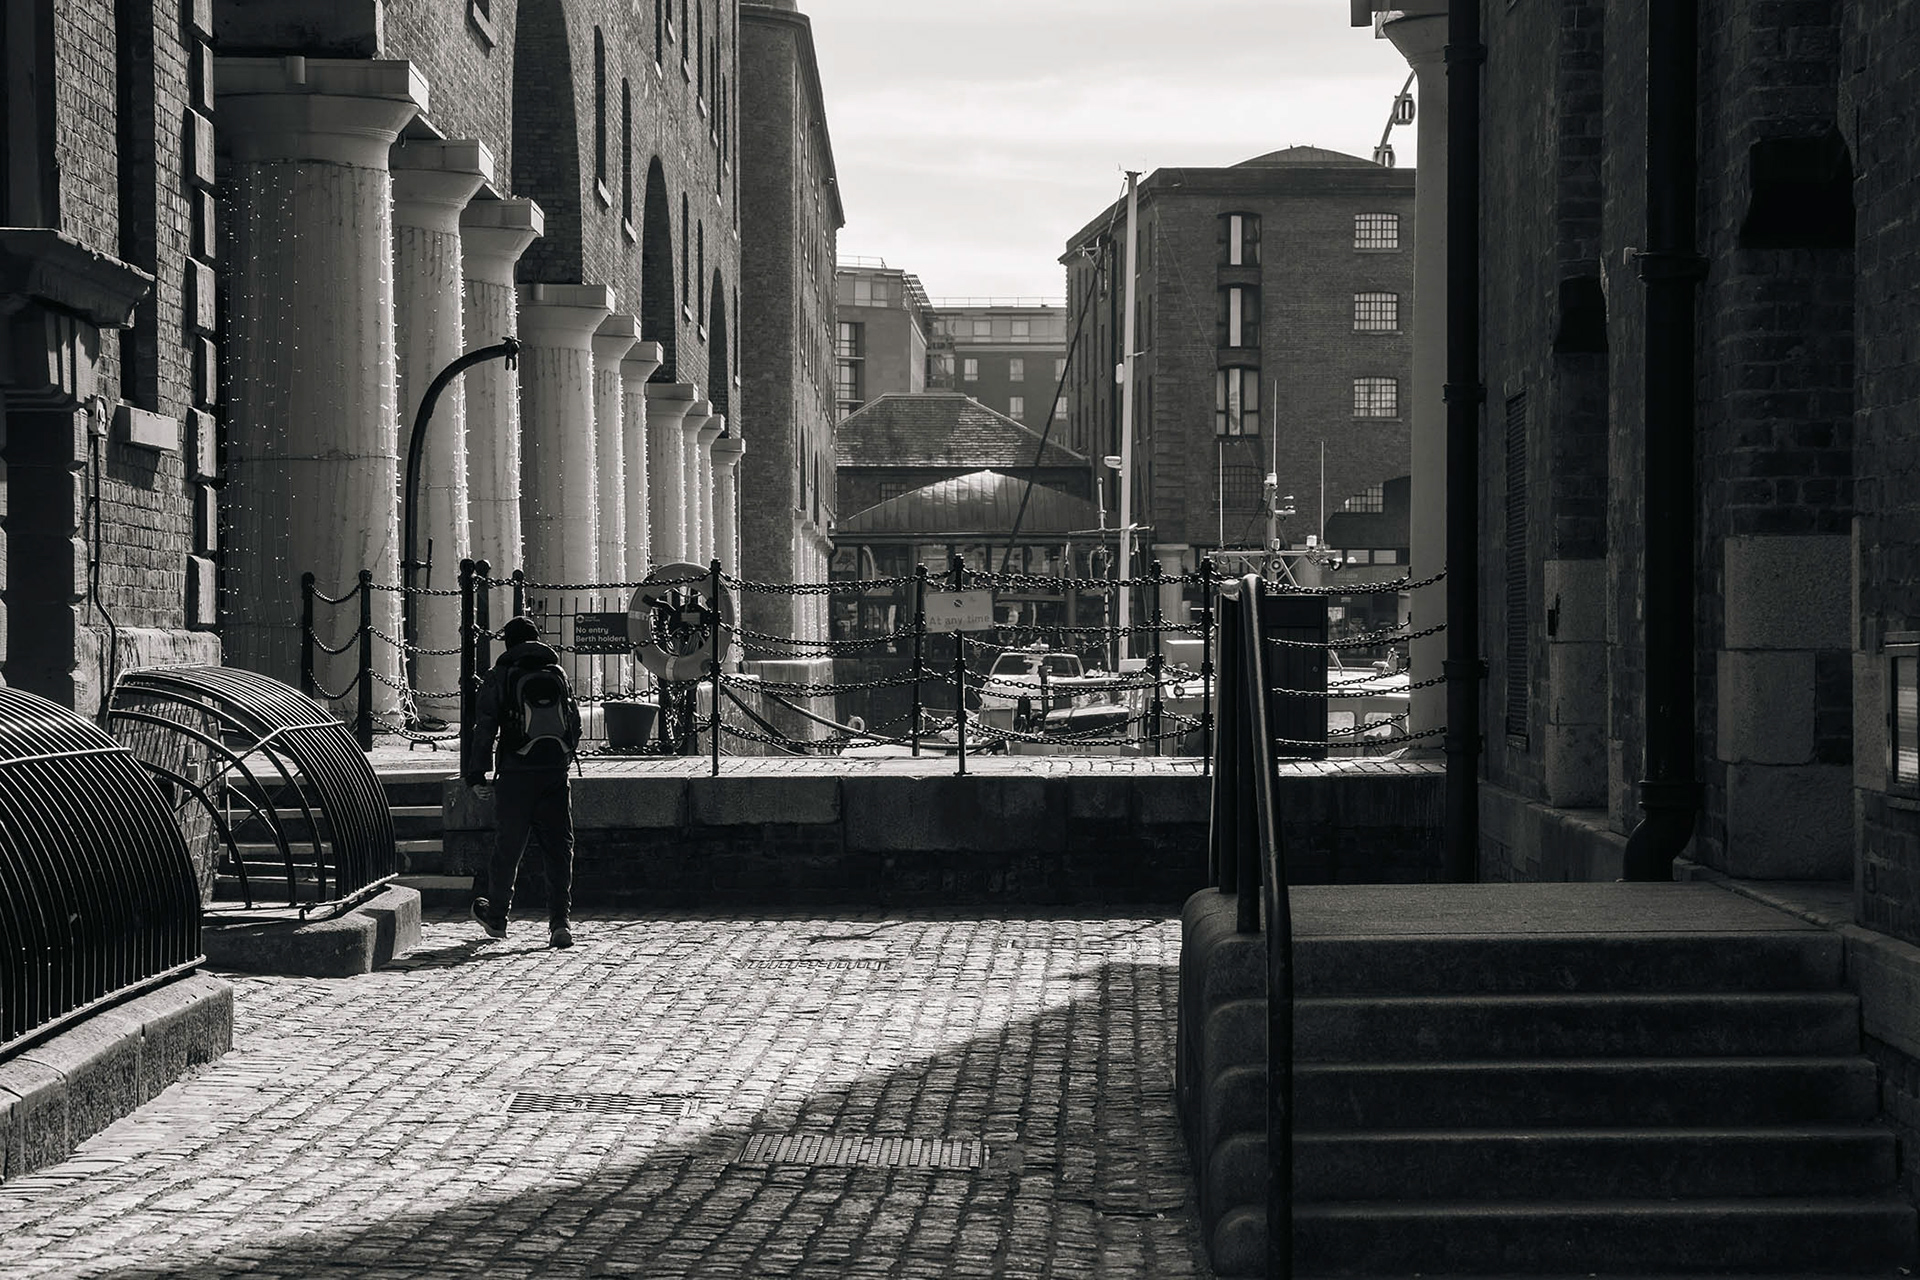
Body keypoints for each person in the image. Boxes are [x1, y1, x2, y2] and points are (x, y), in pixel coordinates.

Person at [464, 615, 582, 948]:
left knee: (508, 849)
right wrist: (562, 757)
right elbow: (573, 722)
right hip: (555, 774)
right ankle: (560, 923)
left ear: (508, 643)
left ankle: (498, 917)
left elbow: (484, 728)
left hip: (516, 773)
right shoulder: (556, 672)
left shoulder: (500, 674)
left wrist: (476, 775)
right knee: (559, 850)